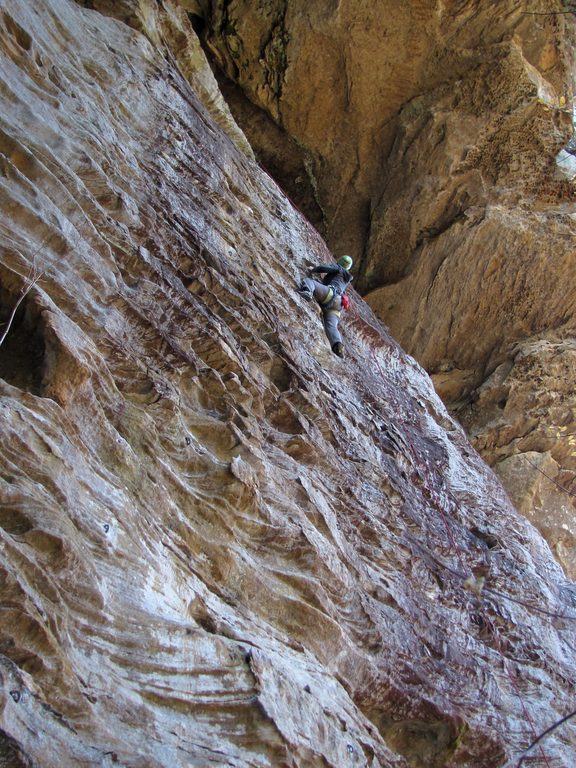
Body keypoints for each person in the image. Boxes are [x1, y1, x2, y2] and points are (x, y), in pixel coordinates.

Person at [297, 255, 353, 358]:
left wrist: (313, 269)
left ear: (340, 261)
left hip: (331, 295)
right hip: (338, 306)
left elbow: (325, 268)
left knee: (310, 282)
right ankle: (337, 346)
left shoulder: (339, 268)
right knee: (331, 326)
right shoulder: (346, 279)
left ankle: (307, 292)